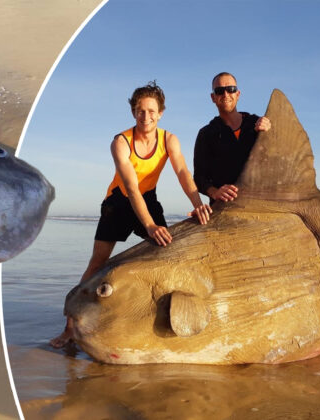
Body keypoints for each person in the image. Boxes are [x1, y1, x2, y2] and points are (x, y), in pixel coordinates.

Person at [50, 81, 212, 348]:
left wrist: (198, 203)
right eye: (140, 111)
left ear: (160, 113)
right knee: (97, 263)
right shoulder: (121, 142)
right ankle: (70, 327)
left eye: (151, 111)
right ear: (133, 112)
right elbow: (132, 188)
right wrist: (148, 225)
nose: (145, 116)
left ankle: (151, 318)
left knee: (165, 252)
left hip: (148, 198)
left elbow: (183, 173)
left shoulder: (169, 139)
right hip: (119, 201)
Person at [193, 72, 272, 203]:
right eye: (219, 91)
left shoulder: (259, 124)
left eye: (231, 89)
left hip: (261, 205)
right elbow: (200, 178)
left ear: (238, 94)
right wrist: (215, 192)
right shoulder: (206, 134)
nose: (225, 95)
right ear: (213, 97)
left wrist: (271, 133)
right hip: (225, 209)